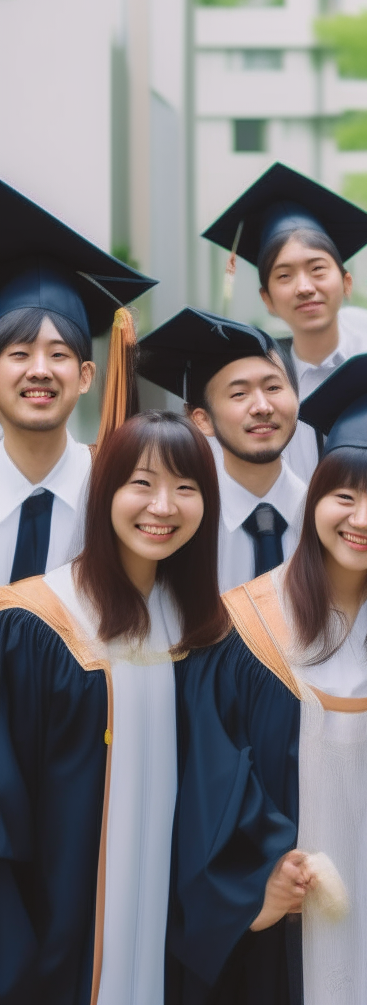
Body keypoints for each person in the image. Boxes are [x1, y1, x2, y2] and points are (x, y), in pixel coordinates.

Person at [167, 352, 367, 1005]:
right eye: (344, 496)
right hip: (275, 936)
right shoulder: (244, 630)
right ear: (315, 495)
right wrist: (253, 885)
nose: (361, 520)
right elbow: (206, 792)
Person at [0, 410, 227, 1004]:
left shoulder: (203, 633)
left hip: (168, 942)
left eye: (186, 487)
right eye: (142, 484)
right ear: (105, 493)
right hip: (54, 942)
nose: (164, 506)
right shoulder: (36, 624)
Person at [0, 177, 156, 583]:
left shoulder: (119, 496)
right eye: (19, 353)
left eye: (58, 354)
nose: (40, 369)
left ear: (85, 376)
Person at [203, 161, 367, 482]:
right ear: (268, 300)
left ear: (346, 282)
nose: (305, 288)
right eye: (285, 275)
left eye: (317, 269)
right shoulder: (264, 393)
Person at [138, 307, 307, 591]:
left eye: (274, 388)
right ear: (202, 420)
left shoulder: (326, 520)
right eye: (239, 393)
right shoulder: (176, 528)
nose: (262, 407)